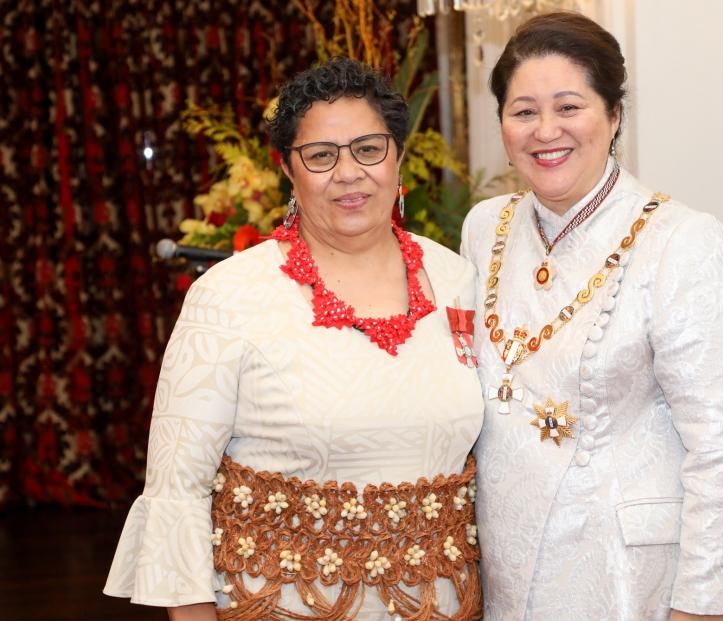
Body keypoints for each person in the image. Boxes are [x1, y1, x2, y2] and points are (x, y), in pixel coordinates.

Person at [103, 58, 485, 620]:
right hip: (277, 603)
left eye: (368, 148)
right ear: (288, 169)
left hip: (444, 604)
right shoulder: (228, 296)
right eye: (321, 156)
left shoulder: (458, 279)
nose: (349, 172)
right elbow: (176, 492)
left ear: (399, 157)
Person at [460, 12, 723, 621]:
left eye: (569, 107)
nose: (545, 131)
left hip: (636, 577)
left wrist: (706, 607)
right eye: (523, 111)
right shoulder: (487, 227)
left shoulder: (682, 240)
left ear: (614, 116)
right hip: (506, 563)